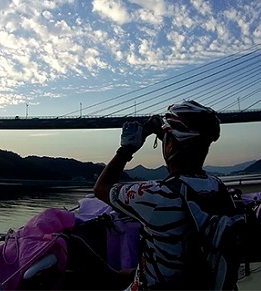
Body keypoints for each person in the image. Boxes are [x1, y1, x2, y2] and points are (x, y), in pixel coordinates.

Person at [93, 100, 243, 290]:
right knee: (126, 274)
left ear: (170, 144)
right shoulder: (218, 188)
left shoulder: (158, 195)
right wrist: (166, 134)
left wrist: (127, 148)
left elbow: (101, 188)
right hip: (201, 282)